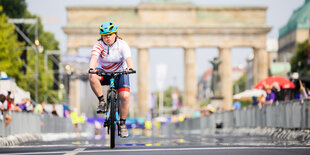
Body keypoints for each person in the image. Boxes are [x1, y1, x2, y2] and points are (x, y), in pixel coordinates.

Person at [88, 21, 134, 138]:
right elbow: (94, 58)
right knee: (92, 76)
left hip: (120, 73)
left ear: (115, 34)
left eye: (110, 35)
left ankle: (122, 124)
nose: (107, 38)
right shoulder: (98, 45)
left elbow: (129, 58)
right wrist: (92, 68)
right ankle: (102, 102)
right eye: (104, 35)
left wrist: (130, 68)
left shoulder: (122, 44)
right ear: (101, 36)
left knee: (125, 96)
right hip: (104, 73)